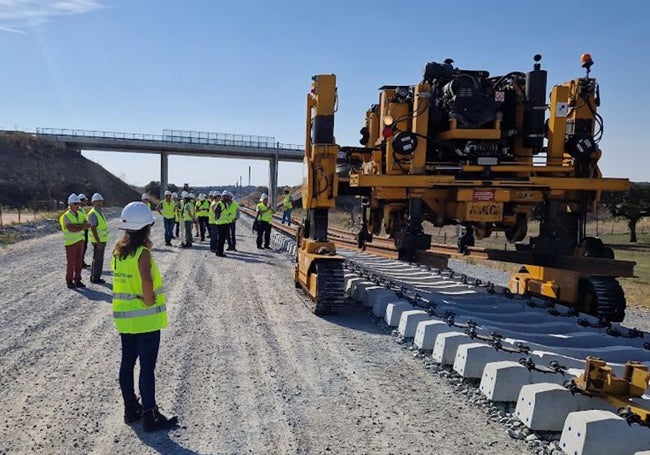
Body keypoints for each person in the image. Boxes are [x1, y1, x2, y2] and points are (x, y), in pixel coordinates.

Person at [111, 201, 178, 432]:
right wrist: (149, 300)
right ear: (146, 228)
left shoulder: (118, 252)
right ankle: (150, 414)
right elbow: (146, 282)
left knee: (127, 363)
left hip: (125, 319)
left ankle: (131, 409)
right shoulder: (143, 253)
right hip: (145, 319)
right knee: (147, 367)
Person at [60, 193, 90, 288]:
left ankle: (77, 280)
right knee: (71, 263)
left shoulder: (80, 214)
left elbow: (88, 224)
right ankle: (69, 281)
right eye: (76, 204)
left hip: (80, 241)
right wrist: (81, 226)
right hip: (70, 243)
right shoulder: (66, 216)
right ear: (71, 204)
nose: (78, 205)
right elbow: (71, 229)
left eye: (78, 203)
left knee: (79, 262)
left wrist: (77, 226)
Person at [87, 193, 109, 284]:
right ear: (93, 202)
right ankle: (95, 278)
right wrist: (98, 241)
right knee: (98, 259)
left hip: (101, 240)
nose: (99, 203)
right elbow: (93, 228)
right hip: (98, 241)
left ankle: (95, 276)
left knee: (98, 259)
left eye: (100, 201)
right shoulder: (93, 213)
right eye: (97, 202)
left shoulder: (99, 211)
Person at [214, 191, 231, 257]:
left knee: (222, 239)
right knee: (221, 239)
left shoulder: (225, 203)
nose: (228, 197)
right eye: (226, 196)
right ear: (223, 196)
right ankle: (219, 252)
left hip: (225, 223)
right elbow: (216, 211)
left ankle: (219, 251)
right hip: (221, 223)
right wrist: (218, 217)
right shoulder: (220, 203)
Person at [78, 193, 91, 268]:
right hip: (82, 231)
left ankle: (81, 262)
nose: (85, 202)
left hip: (83, 230)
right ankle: (80, 262)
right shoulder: (79, 210)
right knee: (82, 247)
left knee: (83, 247)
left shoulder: (81, 209)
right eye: (84, 201)